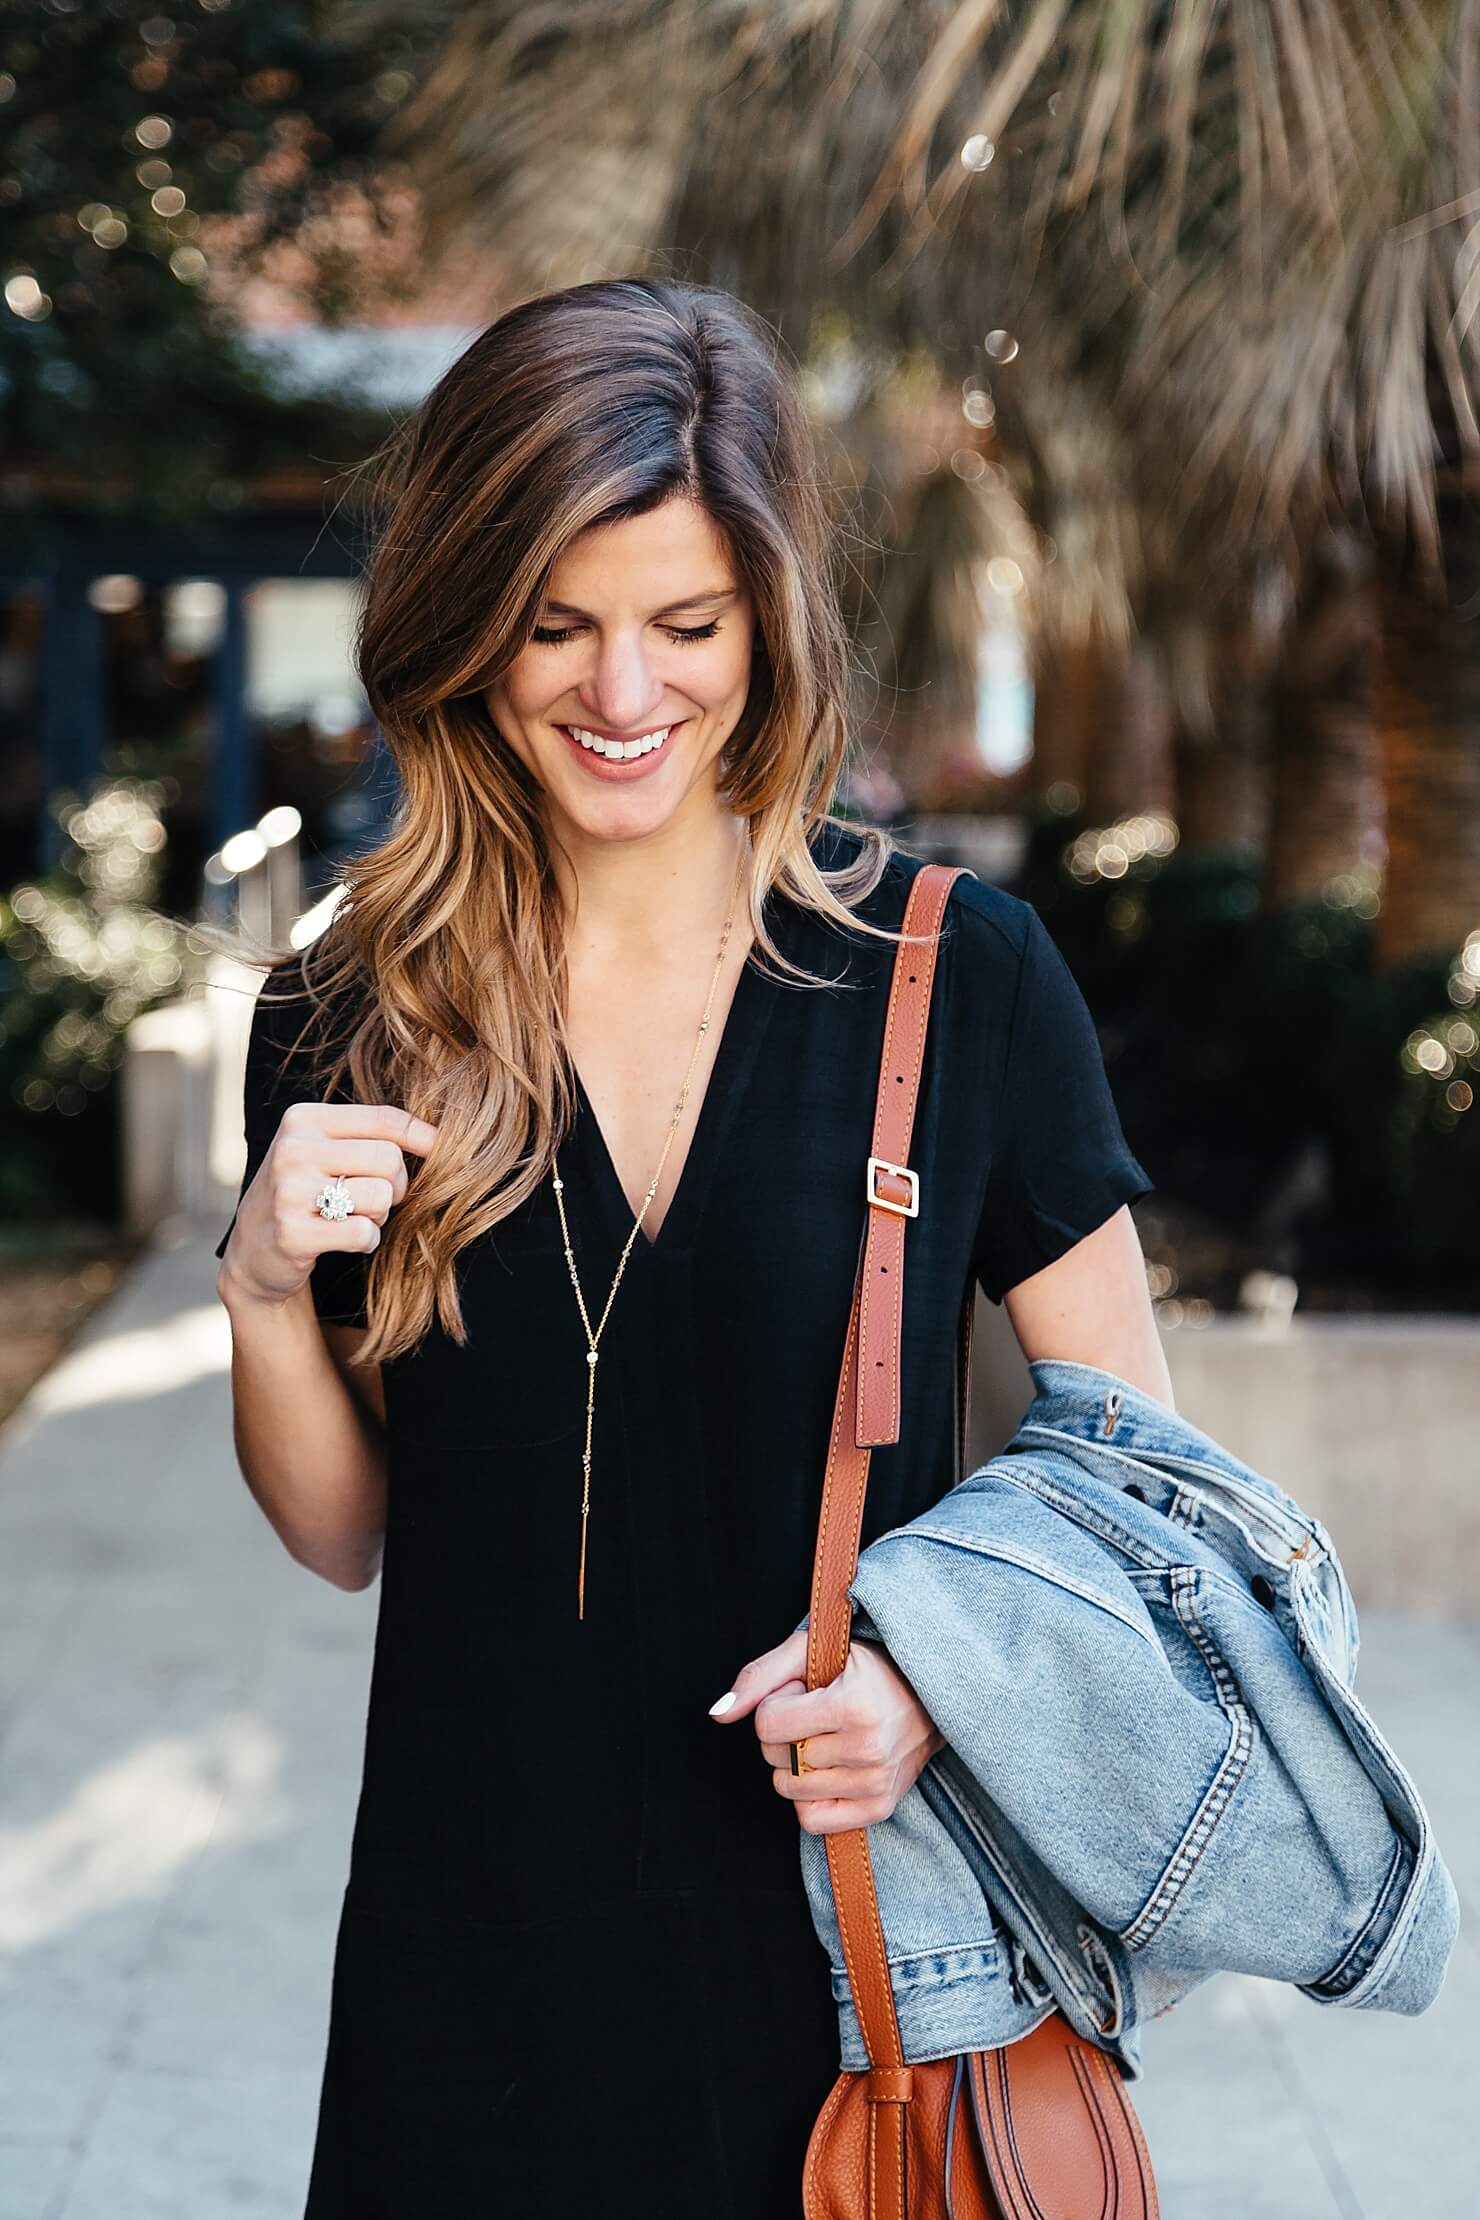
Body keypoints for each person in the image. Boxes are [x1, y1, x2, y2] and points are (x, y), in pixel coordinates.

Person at [212, 276, 1168, 2220]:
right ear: (467, 624)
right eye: (555, 626)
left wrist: (929, 1685)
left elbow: (1126, 1461)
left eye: (685, 626)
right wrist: (254, 1297)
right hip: (461, 1977)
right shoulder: (346, 1014)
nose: (622, 695)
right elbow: (342, 1534)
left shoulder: (949, 979)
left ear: (769, 625)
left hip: (845, 1994)